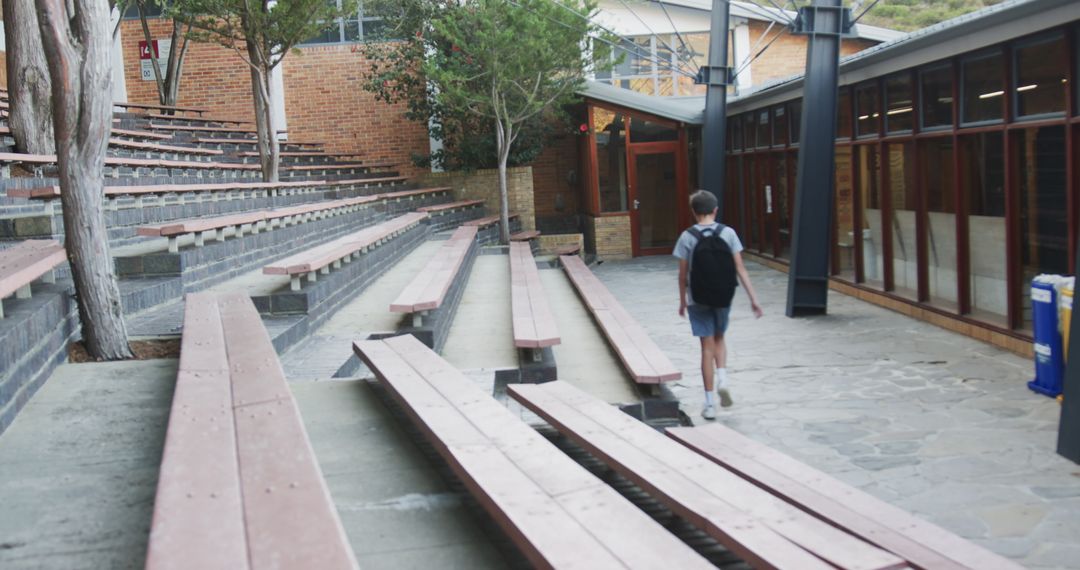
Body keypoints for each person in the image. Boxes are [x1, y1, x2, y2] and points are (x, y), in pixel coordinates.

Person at [673, 190, 763, 420]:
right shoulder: (728, 233)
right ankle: (723, 378)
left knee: (706, 347)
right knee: (720, 338)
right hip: (723, 296)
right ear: (715, 210)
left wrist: (683, 301)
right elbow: (740, 268)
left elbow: (682, 275)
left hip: (698, 298)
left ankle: (710, 403)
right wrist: (753, 299)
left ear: (693, 211)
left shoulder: (687, 236)